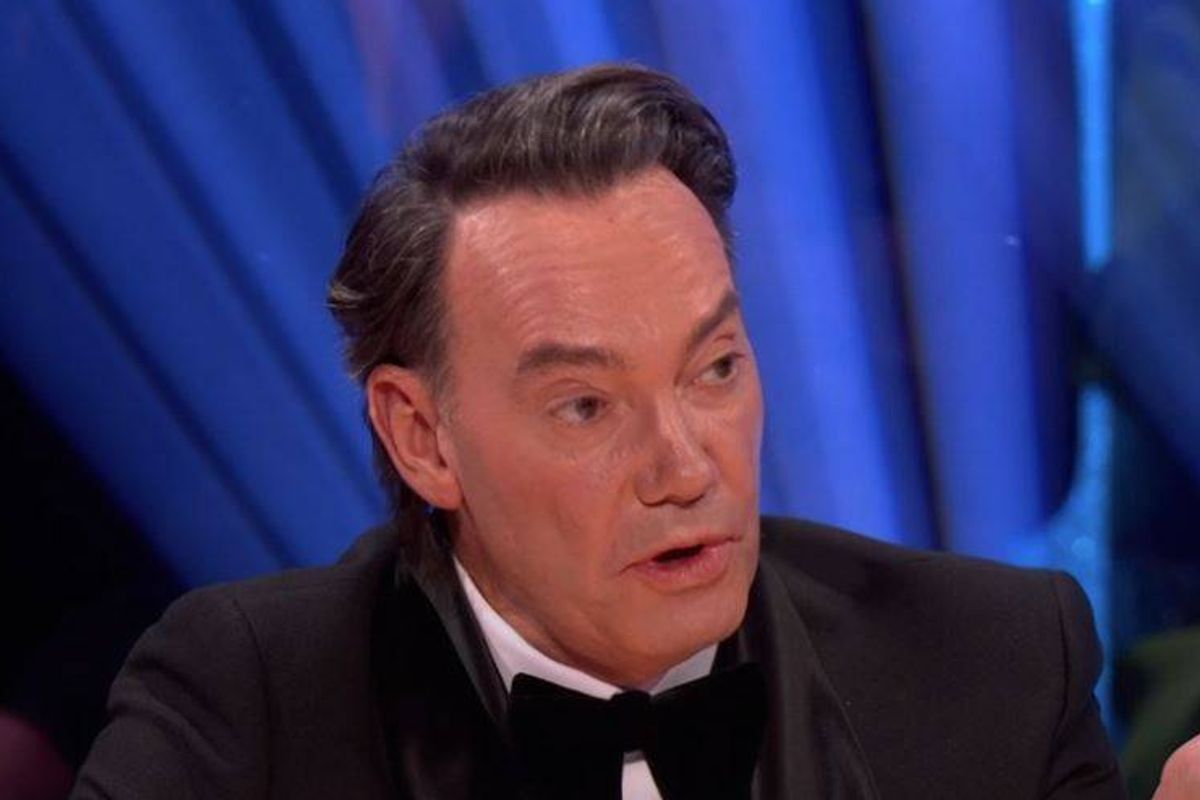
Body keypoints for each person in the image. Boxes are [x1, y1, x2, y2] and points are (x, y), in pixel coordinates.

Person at [71, 63, 1126, 799]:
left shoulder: (992, 666)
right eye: (587, 405)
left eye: (715, 369)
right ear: (422, 437)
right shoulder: (252, 706)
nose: (686, 467)